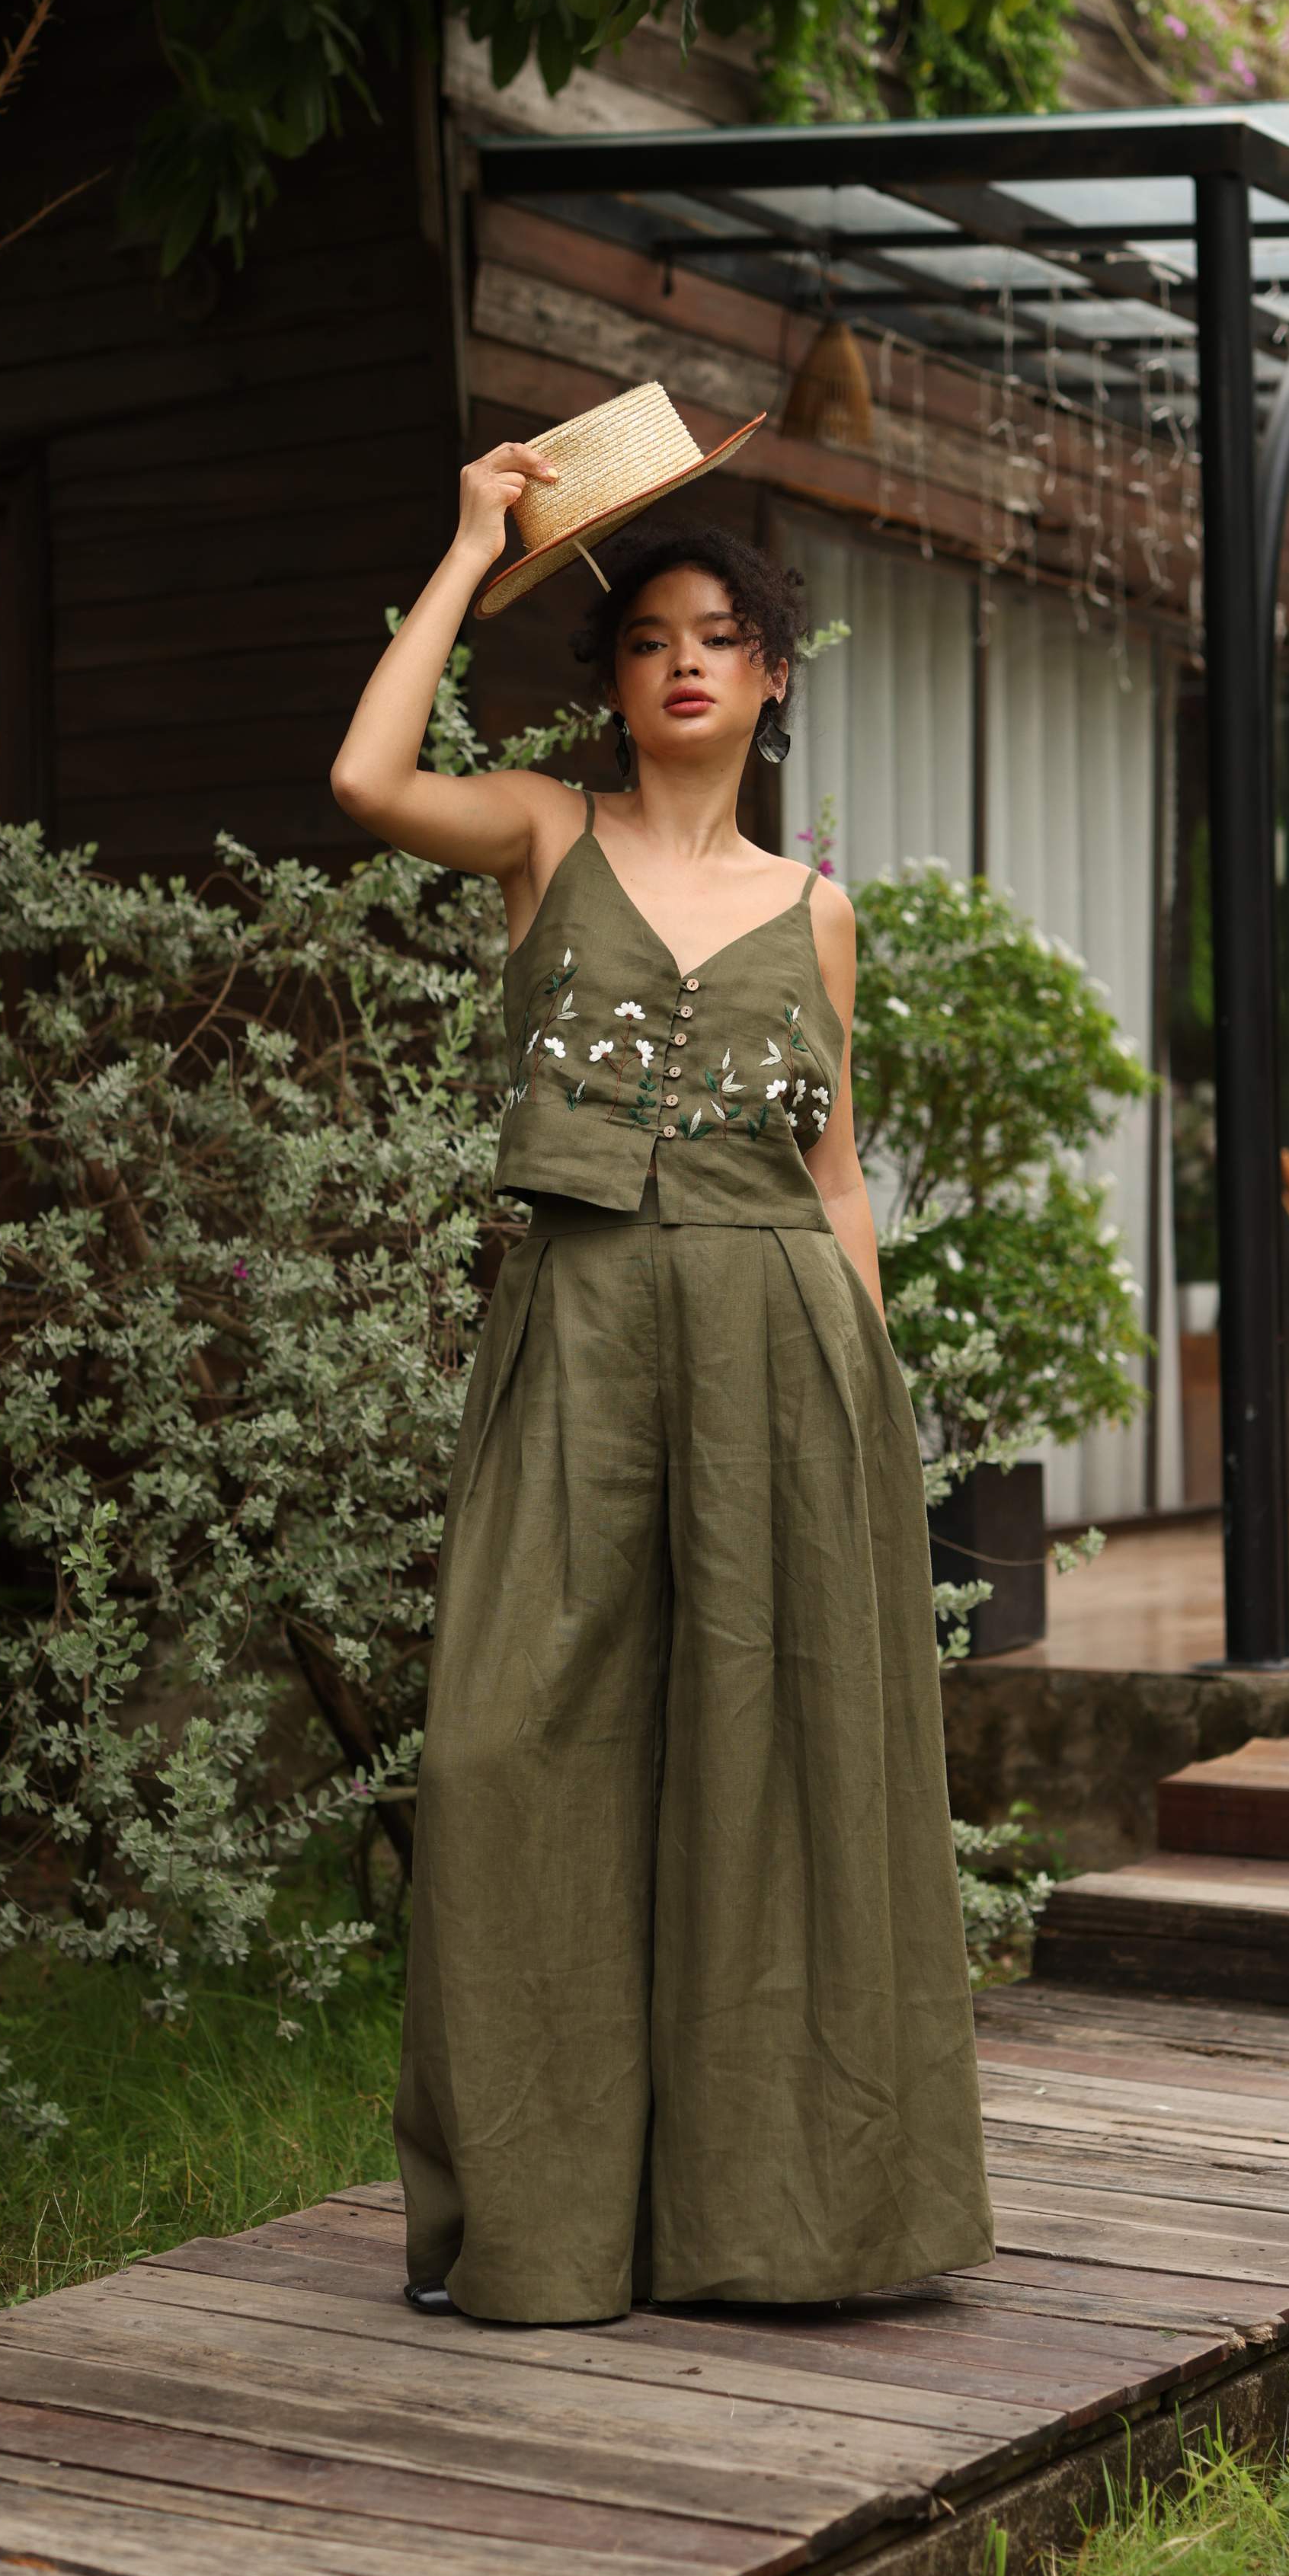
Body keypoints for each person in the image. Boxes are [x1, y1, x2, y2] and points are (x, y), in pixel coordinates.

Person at [328, 436, 993, 2327]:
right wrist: (470, 544)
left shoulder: (821, 911)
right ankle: (544, 2221)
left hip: (788, 1355)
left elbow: (837, 1173)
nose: (685, 662)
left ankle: (780, 2210)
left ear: (773, 674)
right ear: (612, 682)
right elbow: (367, 777)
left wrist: (878, 1404)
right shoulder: (546, 831)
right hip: (587, 1334)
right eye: (647, 640)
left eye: (722, 637)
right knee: (511, 1742)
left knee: (775, 1766)